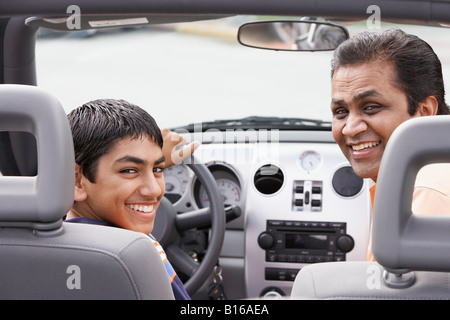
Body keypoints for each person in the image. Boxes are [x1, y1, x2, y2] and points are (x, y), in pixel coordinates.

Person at [329, 29, 450, 261]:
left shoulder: (425, 190)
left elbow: (394, 297)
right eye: (341, 112)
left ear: (424, 112)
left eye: (371, 107)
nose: (350, 128)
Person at [65, 99, 198, 299]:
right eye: (129, 170)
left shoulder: (41, 241)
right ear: (77, 180)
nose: (153, 190)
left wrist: (144, 165)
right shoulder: (136, 253)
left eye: (157, 170)